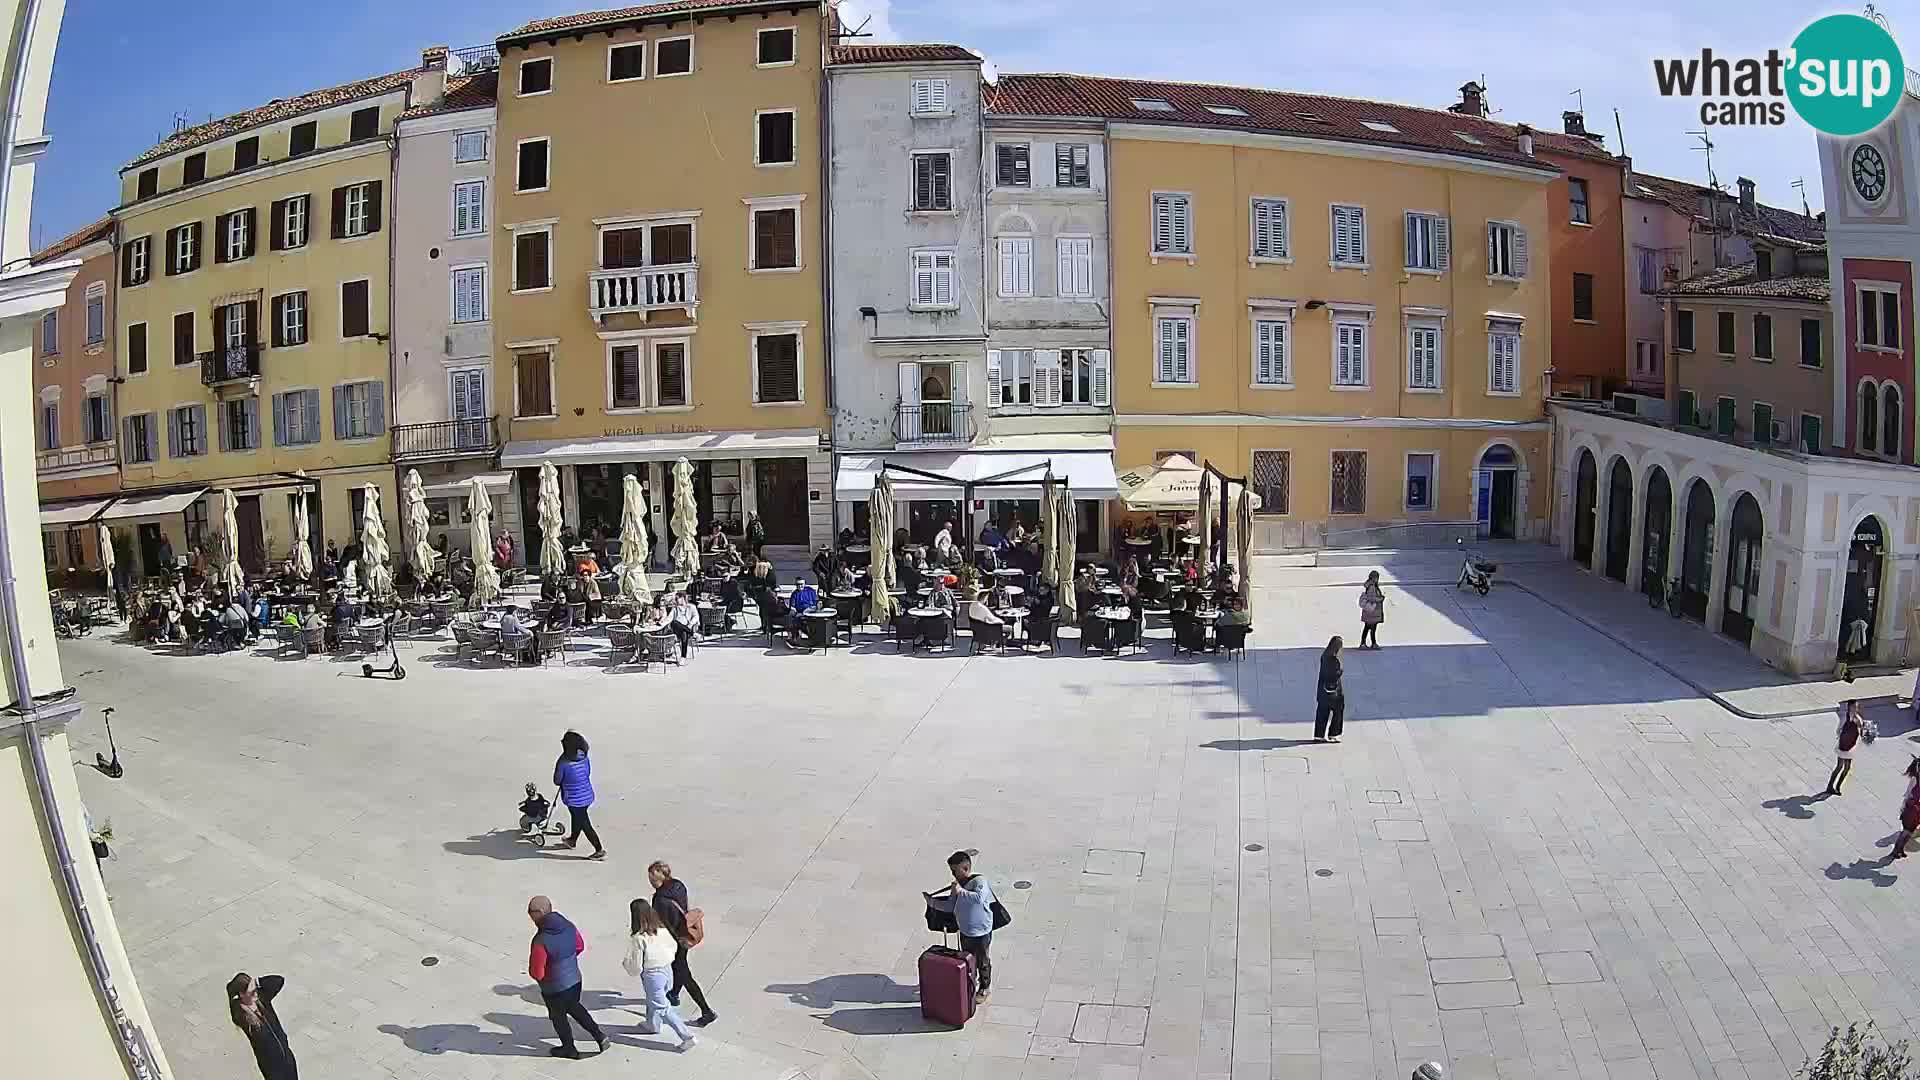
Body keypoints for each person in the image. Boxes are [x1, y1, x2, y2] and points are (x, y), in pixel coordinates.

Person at [526, 895, 608, 1059]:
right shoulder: (569, 926)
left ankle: (569, 1049)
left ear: (539, 913)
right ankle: (599, 1036)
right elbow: (580, 946)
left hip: (554, 989)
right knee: (576, 1008)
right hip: (575, 980)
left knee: (558, 1018)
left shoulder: (540, 940)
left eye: (531, 913)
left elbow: (537, 973)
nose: (530, 917)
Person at [648, 861, 718, 1026]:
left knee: (684, 974)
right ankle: (674, 994)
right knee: (679, 966)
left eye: (652, 878)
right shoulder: (678, 885)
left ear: (659, 877)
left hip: (675, 939)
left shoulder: (659, 899)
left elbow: (663, 924)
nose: (650, 881)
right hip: (685, 933)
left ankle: (707, 1011)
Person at [924, 850, 997, 1005]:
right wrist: (932, 902)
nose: (953, 874)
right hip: (965, 931)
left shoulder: (980, 882)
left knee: (982, 960)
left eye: (955, 871)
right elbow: (950, 906)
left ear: (965, 869)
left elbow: (979, 899)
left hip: (982, 932)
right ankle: (970, 984)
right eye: (951, 871)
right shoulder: (958, 886)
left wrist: (960, 891)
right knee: (968, 959)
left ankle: (985, 986)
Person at [623, 899, 698, 1050]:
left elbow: (635, 964)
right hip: (667, 970)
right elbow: (674, 946)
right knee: (655, 1000)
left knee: (661, 1006)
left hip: (652, 975)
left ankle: (687, 1036)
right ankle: (652, 1024)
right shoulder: (662, 929)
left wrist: (627, 965)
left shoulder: (639, 938)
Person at [227, 972, 297, 1080]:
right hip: (272, 1067)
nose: (255, 994)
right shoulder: (240, 1014)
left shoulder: (262, 999)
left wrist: (256, 982)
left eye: (255, 990)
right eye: (252, 992)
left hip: (286, 1056)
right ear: (241, 994)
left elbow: (279, 980)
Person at [554, 731, 604, 859]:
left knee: (584, 823)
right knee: (577, 818)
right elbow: (587, 773)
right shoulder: (584, 757)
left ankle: (599, 849)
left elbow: (557, 781)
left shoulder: (563, 762)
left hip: (574, 799)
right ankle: (572, 840)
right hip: (587, 794)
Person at [1827, 700, 1865, 796]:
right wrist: (1843, 735)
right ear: (1849, 707)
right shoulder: (1844, 717)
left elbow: (1861, 732)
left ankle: (1838, 786)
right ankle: (1830, 786)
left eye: (1856, 707)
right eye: (1854, 707)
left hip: (1851, 745)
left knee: (1847, 768)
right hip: (1843, 745)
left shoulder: (1859, 719)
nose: (1856, 708)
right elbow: (1839, 729)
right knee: (1839, 766)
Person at [1314, 636, 1346, 743]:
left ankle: (1319, 734)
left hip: (1322, 691)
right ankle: (1334, 734)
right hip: (1334, 692)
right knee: (1338, 712)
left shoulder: (1324, 655)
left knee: (1322, 712)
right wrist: (1340, 671)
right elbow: (1335, 675)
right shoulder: (1334, 659)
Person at [1893, 757, 1920, 860]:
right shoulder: (1914, 779)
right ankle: (1896, 850)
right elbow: (1908, 794)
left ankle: (1901, 849)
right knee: (1905, 831)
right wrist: (1903, 807)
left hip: (1918, 811)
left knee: (1911, 832)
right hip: (1911, 809)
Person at [1358, 571, 1385, 650]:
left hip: (1371, 611)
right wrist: (1380, 598)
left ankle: (1367, 643)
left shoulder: (1370, 585)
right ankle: (1371, 643)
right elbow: (1371, 598)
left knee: (1368, 627)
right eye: (1376, 577)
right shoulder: (1372, 586)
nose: (1377, 579)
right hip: (1372, 611)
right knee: (1371, 628)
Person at [669, 591, 700, 658]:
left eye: (677, 599)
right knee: (674, 622)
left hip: (687, 627)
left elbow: (696, 617)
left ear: (683, 598)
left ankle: (683, 657)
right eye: (676, 599)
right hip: (677, 629)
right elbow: (670, 618)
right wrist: (662, 623)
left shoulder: (691, 607)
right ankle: (692, 634)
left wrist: (690, 624)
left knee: (684, 633)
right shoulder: (675, 608)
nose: (676, 601)